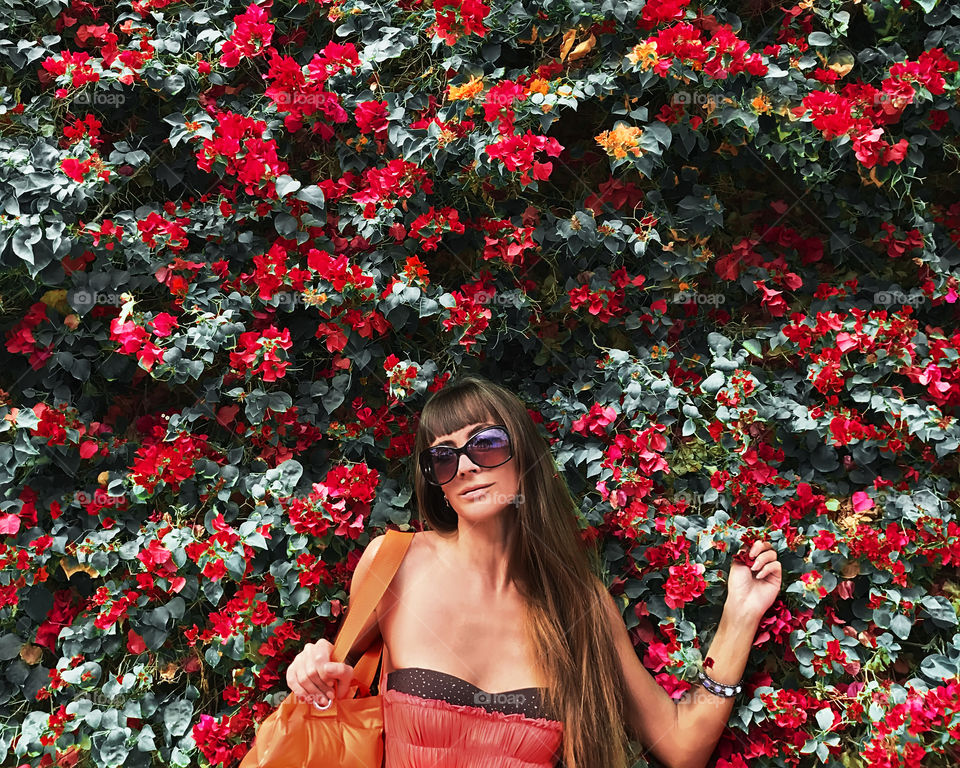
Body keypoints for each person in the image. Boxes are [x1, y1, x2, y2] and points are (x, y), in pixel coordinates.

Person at [285, 375, 782, 768]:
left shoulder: (578, 602)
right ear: (435, 479)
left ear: (523, 453)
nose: (466, 468)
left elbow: (681, 746)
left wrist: (740, 615)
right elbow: (335, 687)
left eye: (486, 444)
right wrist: (310, 671)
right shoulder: (394, 563)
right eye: (443, 457)